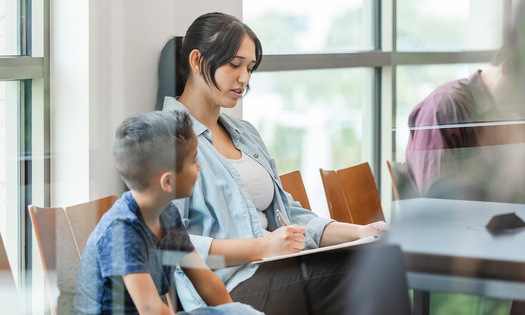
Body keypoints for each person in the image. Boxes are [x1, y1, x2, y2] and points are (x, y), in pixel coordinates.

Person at [157, 12, 399, 315]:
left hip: (275, 268)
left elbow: (289, 216)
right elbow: (168, 244)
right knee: (369, 272)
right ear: (196, 61)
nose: (244, 78)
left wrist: (360, 232)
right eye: (234, 64)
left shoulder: (245, 133)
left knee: (382, 254)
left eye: (250, 67)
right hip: (225, 289)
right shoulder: (165, 136)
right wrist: (261, 248)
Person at [73, 111, 263, 315]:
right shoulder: (122, 231)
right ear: (168, 181)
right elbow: (150, 308)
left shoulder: (168, 216)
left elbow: (206, 282)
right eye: (192, 162)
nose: (198, 167)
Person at [405, 44, 525, 202]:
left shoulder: (510, 113)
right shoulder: (444, 107)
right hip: (459, 222)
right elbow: (438, 200)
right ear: (508, 68)